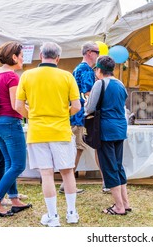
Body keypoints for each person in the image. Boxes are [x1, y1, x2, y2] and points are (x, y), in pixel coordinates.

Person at [15, 42, 81, 227]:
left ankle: (53, 216)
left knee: (47, 174)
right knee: (68, 173)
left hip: (38, 131)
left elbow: (18, 106)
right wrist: (61, 114)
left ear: (41, 55)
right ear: (58, 58)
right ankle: (71, 213)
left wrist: (34, 117)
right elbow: (76, 106)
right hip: (61, 131)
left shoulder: (27, 76)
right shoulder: (67, 76)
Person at [0, 41, 31, 217]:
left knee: (10, 164)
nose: (22, 59)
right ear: (14, 57)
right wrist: (32, 116)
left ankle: (14, 199)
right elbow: (15, 106)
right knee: (18, 164)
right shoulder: (12, 77)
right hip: (10, 123)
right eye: (21, 56)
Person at [59, 41, 109, 194]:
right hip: (81, 116)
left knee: (78, 148)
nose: (98, 55)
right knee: (77, 149)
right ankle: (66, 184)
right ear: (89, 53)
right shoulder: (86, 70)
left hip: (78, 115)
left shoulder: (79, 69)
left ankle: (66, 184)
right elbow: (88, 94)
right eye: (97, 52)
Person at [85, 56, 131, 215]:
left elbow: (90, 108)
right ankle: (125, 203)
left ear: (99, 70)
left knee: (109, 167)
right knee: (118, 165)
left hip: (105, 129)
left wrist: (85, 104)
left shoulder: (100, 84)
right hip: (120, 128)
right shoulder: (121, 84)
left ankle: (119, 207)